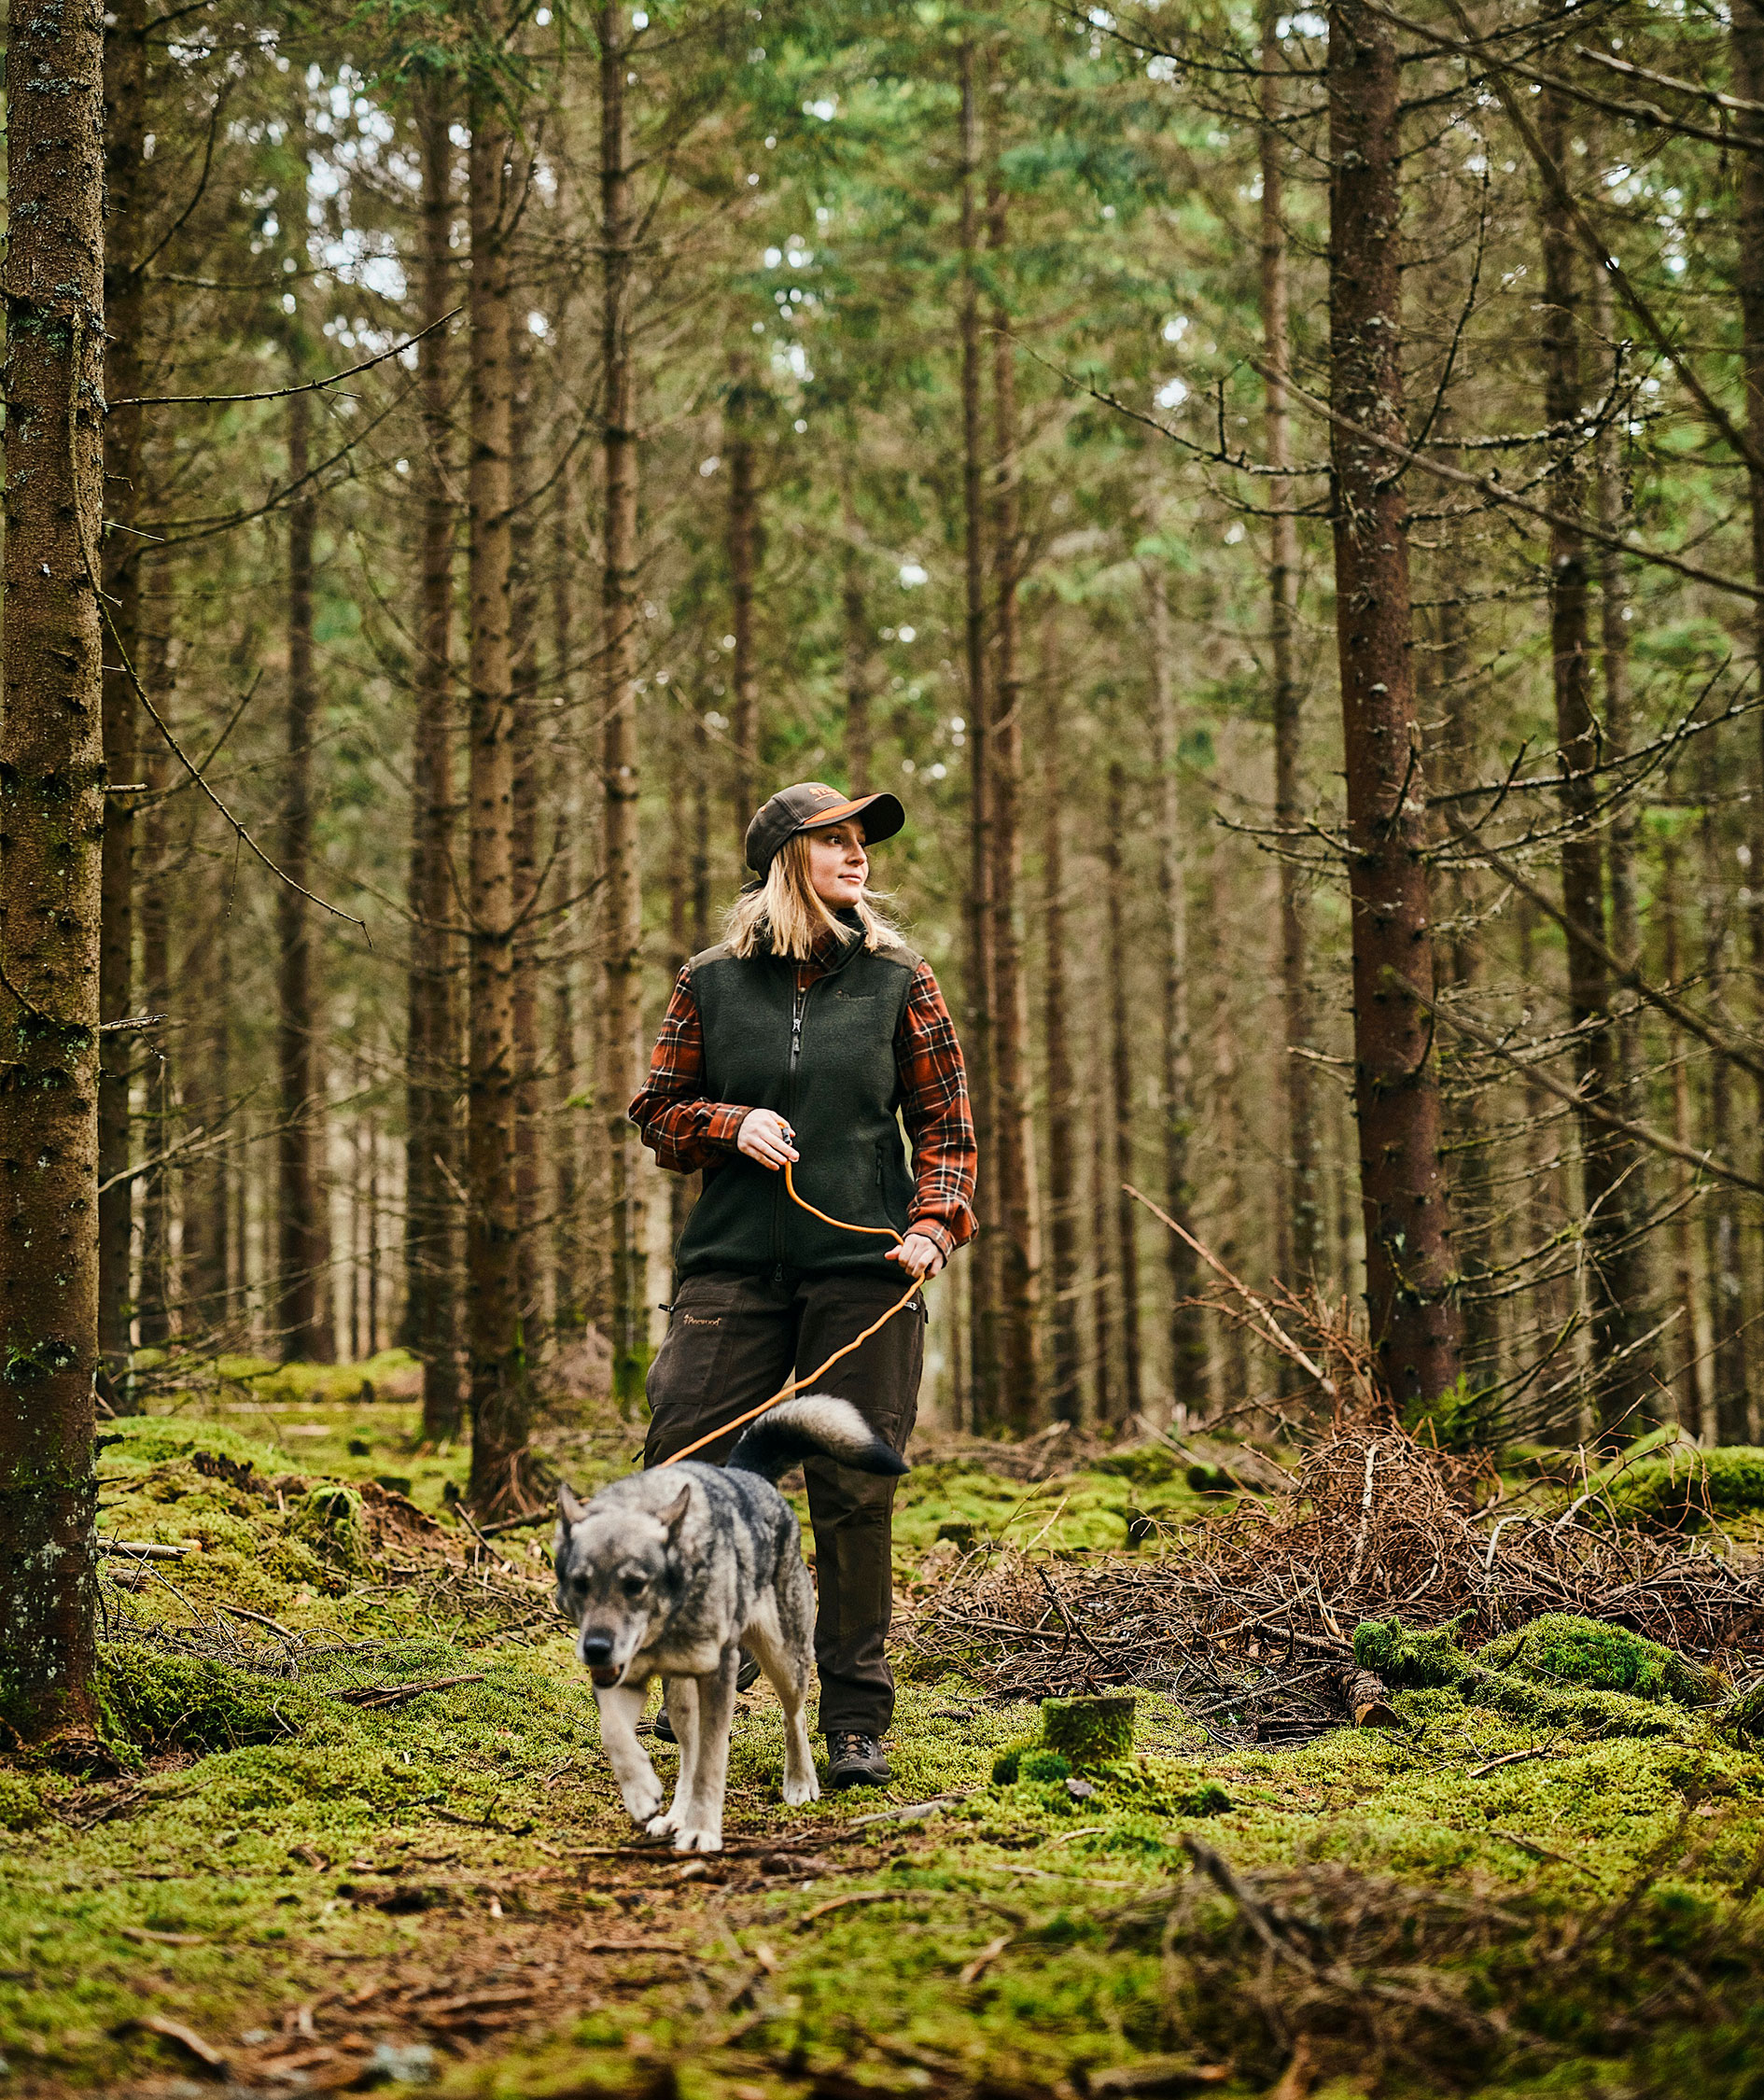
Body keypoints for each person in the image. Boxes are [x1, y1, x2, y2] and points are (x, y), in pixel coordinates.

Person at [628, 781, 976, 1789]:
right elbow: (658, 1109)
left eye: (862, 842)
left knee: (856, 1490)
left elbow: (948, 1131)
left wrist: (929, 1228)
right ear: (787, 859)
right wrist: (726, 1124)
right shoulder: (709, 981)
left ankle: (856, 1718)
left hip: (863, 1272)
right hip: (731, 1267)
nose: (858, 855)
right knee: (688, 1463)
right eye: (834, 841)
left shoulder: (902, 980)